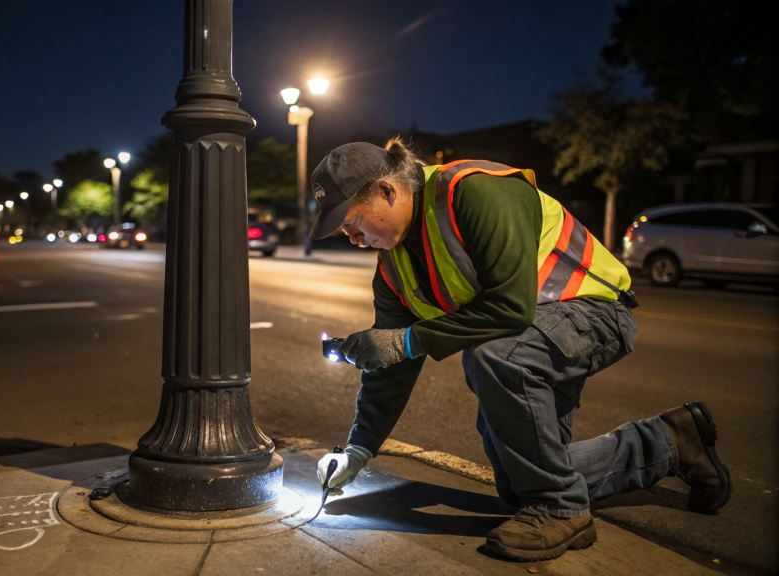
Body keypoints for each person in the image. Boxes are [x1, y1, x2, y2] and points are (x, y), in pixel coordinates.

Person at [312, 139, 731, 562]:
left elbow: (510, 310)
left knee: (494, 356)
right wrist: (357, 451)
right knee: (518, 482)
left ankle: (561, 509)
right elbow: (390, 363)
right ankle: (671, 441)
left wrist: (406, 340)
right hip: (534, 336)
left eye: (353, 223)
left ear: (387, 191)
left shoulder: (473, 191)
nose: (355, 240)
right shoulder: (392, 268)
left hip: (596, 313)